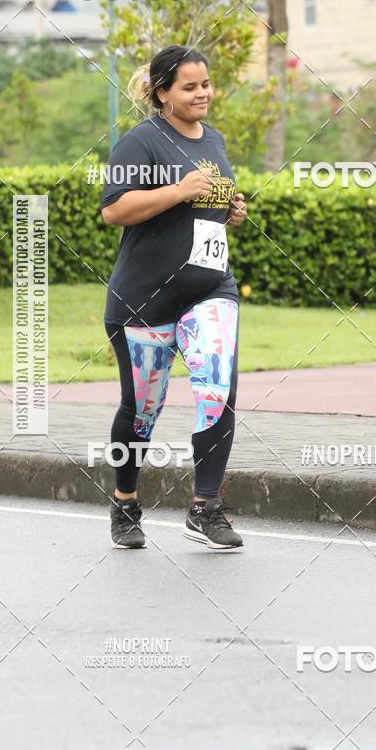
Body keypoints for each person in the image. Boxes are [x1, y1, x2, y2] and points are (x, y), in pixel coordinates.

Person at [100, 45, 247, 551]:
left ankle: (206, 508)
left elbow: (201, 210)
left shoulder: (216, 140)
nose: (202, 93)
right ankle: (125, 503)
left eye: (206, 84)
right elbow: (116, 210)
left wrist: (227, 210)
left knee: (217, 390)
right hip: (143, 301)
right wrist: (181, 191)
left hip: (210, 289)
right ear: (162, 93)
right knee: (142, 410)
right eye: (189, 86)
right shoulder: (141, 143)